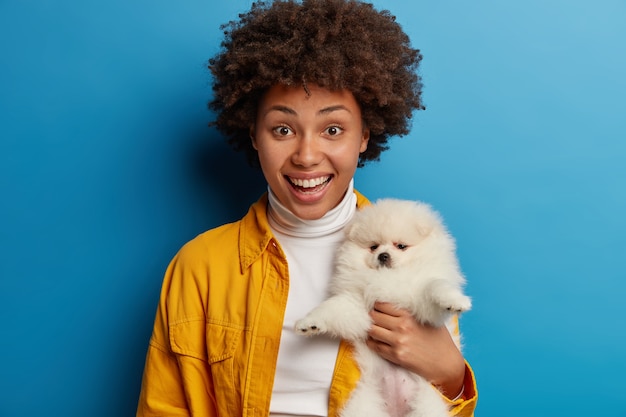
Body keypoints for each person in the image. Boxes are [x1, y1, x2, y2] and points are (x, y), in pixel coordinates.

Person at [136, 0, 478, 416]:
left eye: (332, 129)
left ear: (365, 135)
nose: (307, 155)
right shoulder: (200, 267)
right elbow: (164, 407)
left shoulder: (415, 252)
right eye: (283, 129)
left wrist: (451, 376)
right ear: (254, 134)